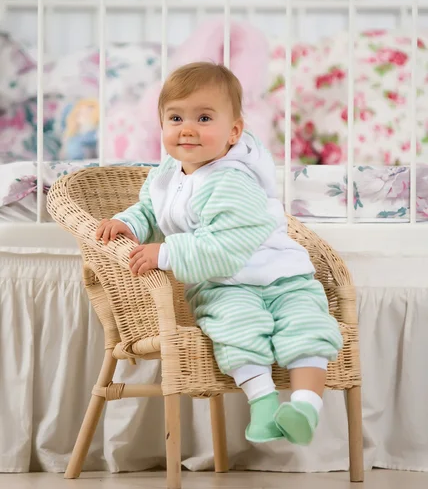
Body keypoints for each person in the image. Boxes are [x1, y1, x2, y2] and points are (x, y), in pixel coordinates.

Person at [96, 62, 343, 444]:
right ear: (161, 125)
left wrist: (165, 253)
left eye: (204, 118)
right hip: (227, 286)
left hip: (281, 275)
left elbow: (225, 247)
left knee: (306, 326)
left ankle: (306, 405)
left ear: (234, 132)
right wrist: (128, 222)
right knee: (235, 332)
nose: (188, 128)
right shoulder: (167, 173)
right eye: (175, 117)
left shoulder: (232, 179)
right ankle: (263, 408)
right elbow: (152, 208)